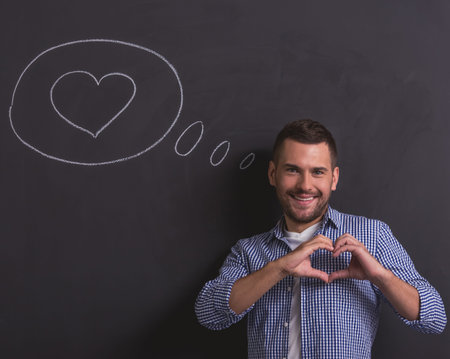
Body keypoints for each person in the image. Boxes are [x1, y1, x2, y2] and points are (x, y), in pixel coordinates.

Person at [195, 119, 446, 359]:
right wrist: (279, 268)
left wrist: (379, 277)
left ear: (333, 178)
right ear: (273, 174)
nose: (305, 185)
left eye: (317, 172)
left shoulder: (373, 235)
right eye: (293, 170)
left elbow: (434, 319)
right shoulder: (248, 251)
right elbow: (209, 314)